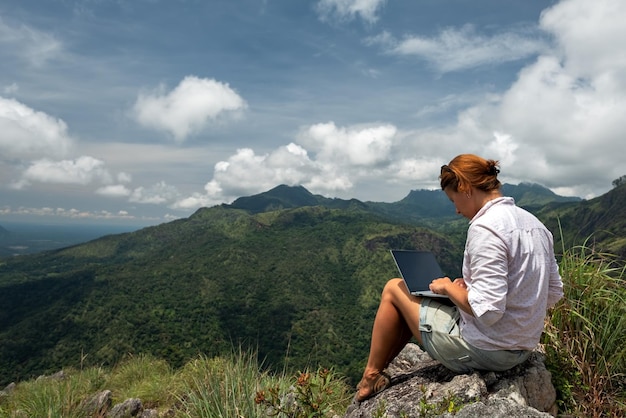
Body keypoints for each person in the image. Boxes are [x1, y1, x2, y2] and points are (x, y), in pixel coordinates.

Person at [355, 153, 564, 402]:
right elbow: (552, 293)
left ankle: (370, 376)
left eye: (454, 200)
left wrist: (448, 288)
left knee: (393, 289)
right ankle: (375, 374)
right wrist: (473, 290)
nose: (456, 210)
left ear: (464, 188)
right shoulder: (536, 225)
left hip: (487, 351)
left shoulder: (486, 228)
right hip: (523, 348)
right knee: (413, 295)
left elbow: (488, 312)